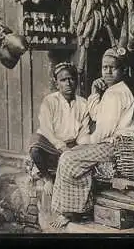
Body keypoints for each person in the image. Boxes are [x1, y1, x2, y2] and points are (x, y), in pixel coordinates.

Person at [50, 47, 134, 228]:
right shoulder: (114, 91)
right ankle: (71, 208)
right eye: (104, 68)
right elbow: (98, 114)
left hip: (117, 146)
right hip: (112, 143)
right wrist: (95, 92)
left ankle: (71, 212)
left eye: (113, 68)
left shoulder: (116, 93)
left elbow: (102, 131)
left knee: (69, 158)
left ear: (122, 71)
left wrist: (84, 143)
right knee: (70, 154)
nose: (107, 72)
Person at [29, 62, 91, 197]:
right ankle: (47, 177)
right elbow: (46, 129)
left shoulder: (83, 104)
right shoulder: (50, 101)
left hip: (71, 146)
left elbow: (83, 132)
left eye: (71, 79)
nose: (68, 83)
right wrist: (60, 146)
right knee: (35, 147)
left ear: (76, 81)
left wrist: (80, 149)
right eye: (63, 80)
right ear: (57, 84)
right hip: (52, 145)